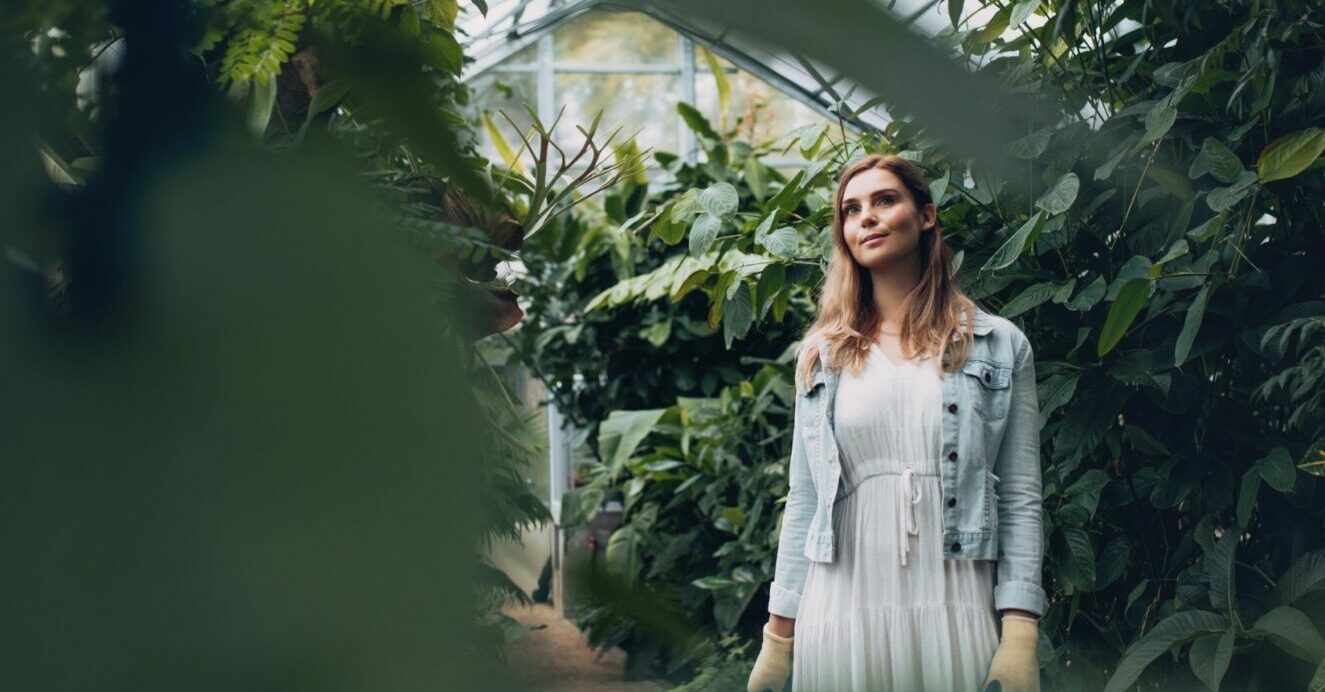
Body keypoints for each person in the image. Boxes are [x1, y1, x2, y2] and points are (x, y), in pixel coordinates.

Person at [745, 154, 1047, 692]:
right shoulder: (821, 356)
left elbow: (1021, 493)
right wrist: (778, 638)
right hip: (842, 604)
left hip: (955, 603)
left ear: (926, 216)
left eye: (885, 200)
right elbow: (805, 499)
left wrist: (1020, 630)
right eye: (851, 209)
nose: (867, 217)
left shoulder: (999, 345)